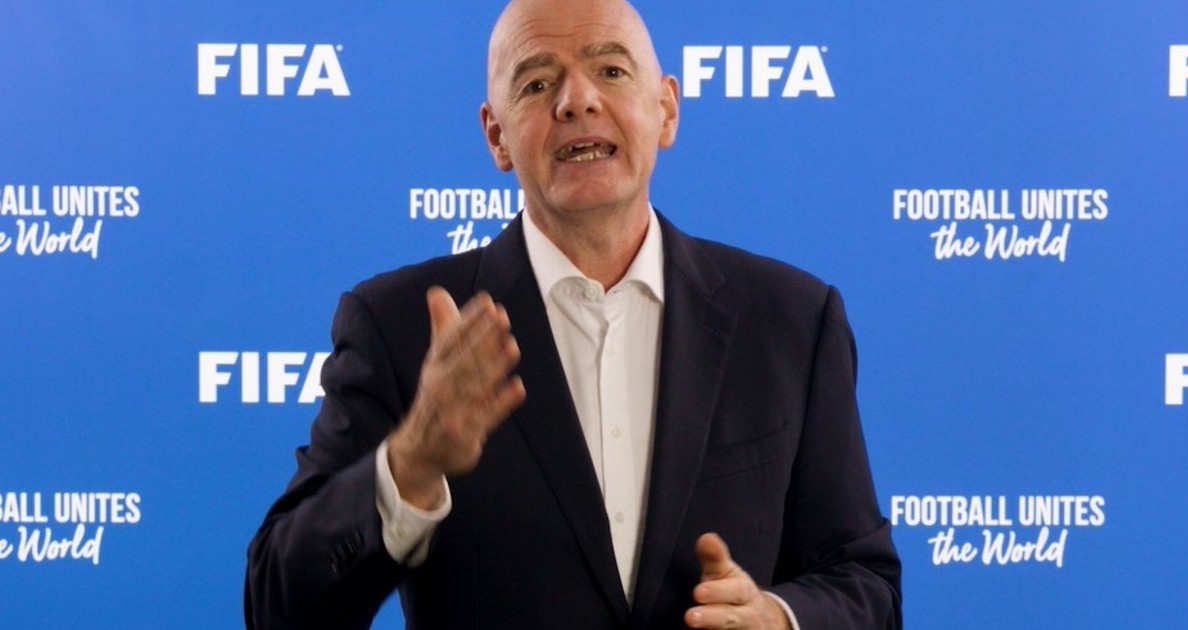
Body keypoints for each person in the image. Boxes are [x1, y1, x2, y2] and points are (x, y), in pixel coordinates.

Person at [244, 0, 901, 628]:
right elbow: (279, 607)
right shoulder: (399, 327)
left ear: (666, 110)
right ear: (497, 137)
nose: (577, 100)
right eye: (536, 84)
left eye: (611, 70)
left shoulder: (791, 320)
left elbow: (864, 582)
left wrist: (779, 619)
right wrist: (410, 463)